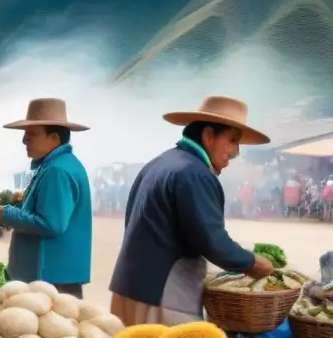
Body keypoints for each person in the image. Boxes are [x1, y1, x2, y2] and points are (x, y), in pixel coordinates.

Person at [110, 96, 274, 326]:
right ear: (208, 136)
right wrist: (253, 263)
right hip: (163, 295)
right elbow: (213, 241)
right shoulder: (194, 173)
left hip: (129, 286)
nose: (235, 152)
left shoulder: (160, 163)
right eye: (232, 141)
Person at [0, 98, 93, 298]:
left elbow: (51, 224)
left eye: (31, 134)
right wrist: (18, 203)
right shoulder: (58, 165)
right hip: (53, 279)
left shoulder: (57, 171)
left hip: (50, 281)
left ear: (54, 138)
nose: (24, 140)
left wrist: (2, 213)